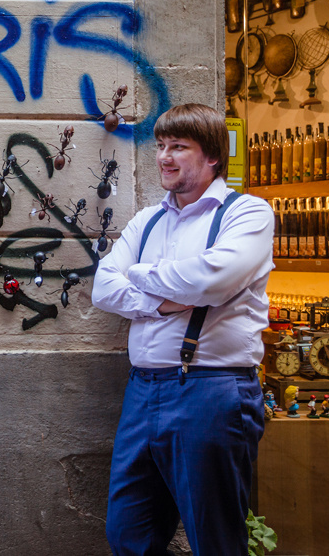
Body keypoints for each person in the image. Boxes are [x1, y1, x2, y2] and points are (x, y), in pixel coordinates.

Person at [90, 103, 274, 555]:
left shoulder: (247, 213)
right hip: (142, 391)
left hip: (211, 390)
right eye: (160, 146)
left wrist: (140, 274)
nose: (163, 157)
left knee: (216, 541)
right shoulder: (147, 220)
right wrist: (165, 302)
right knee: (129, 535)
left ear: (212, 155)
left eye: (178, 147)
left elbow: (211, 280)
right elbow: (104, 288)